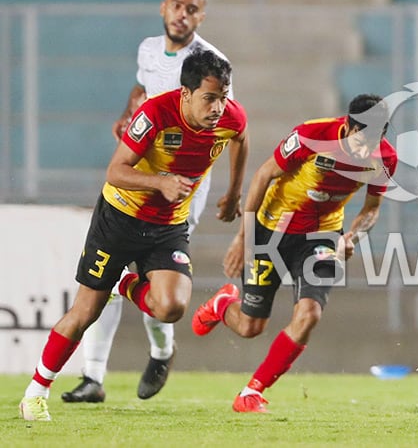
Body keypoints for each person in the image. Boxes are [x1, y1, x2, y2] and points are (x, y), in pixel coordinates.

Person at [19, 49, 249, 421]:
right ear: (186, 93)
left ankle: (124, 284)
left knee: (171, 308)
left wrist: (234, 193)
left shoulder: (231, 117)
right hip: (120, 218)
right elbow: (115, 171)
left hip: (168, 224)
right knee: (85, 313)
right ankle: (36, 391)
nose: (218, 107)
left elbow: (241, 138)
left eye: (223, 97)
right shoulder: (156, 114)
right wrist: (159, 182)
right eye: (209, 98)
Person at [61, 0, 235, 404]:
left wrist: (231, 191)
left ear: (201, 17)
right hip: (139, 177)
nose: (182, 14)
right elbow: (141, 92)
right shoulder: (148, 50)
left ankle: (161, 351)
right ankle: (93, 376)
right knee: (109, 274)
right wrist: (127, 116)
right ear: (163, 8)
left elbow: (227, 121)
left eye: (192, 9)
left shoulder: (212, 64)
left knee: (144, 275)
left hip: (179, 189)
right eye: (176, 5)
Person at [191, 94, 397, 413]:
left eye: (375, 139)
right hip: (272, 229)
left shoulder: (384, 158)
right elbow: (263, 175)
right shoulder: (311, 136)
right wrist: (243, 236)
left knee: (310, 314)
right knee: (249, 327)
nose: (366, 149)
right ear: (347, 126)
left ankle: (252, 392)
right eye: (361, 138)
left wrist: (352, 236)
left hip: (322, 235)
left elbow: (372, 209)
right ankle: (223, 305)